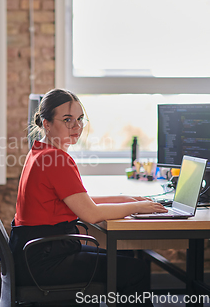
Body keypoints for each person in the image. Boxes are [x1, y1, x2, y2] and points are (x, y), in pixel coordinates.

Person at [9, 88, 167, 306]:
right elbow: (90, 214)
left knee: (127, 259)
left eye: (80, 119)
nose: (77, 127)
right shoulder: (57, 160)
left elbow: (79, 201)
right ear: (46, 123)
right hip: (45, 261)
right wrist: (138, 207)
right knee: (135, 271)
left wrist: (126, 199)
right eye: (67, 120)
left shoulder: (40, 151)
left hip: (32, 254)